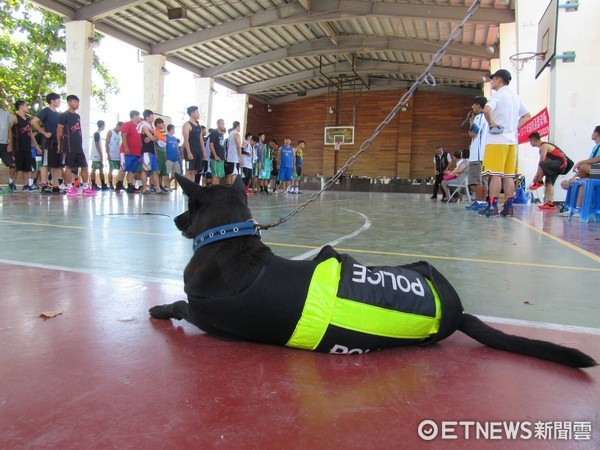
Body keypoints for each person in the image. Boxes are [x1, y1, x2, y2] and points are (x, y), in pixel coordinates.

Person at [479, 69, 530, 217]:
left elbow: (487, 110)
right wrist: (513, 128)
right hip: (511, 141)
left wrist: (492, 123)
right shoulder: (515, 97)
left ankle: (493, 206)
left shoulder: (498, 95)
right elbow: (527, 115)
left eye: (493, 79)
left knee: (495, 174)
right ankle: (508, 207)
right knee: (508, 175)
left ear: (500, 80)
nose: (492, 82)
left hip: (496, 141)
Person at [56, 95, 95, 196]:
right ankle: (69, 187)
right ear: (69, 102)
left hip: (78, 146)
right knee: (69, 167)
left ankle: (85, 186)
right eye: (74, 102)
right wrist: (59, 144)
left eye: (78, 102)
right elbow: (59, 130)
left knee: (85, 166)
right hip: (69, 146)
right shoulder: (64, 115)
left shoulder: (77, 116)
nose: (77, 104)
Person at [560, 125, 600, 214]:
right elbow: (586, 167)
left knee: (582, 167)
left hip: (598, 171)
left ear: (597, 133)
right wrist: (572, 178)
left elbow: (597, 159)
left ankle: (576, 208)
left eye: (593, 132)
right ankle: (575, 208)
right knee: (580, 181)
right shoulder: (595, 148)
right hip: (593, 172)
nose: (592, 134)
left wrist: (580, 162)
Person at [527, 132, 570, 211]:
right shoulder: (544, 146)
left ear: (533, 140)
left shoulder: (543, 146)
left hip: (560, 163)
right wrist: (537, 175)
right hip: (557, 164)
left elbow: (541, 162)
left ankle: (539, 182)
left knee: (542, 164)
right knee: (549, 183)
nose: (530, 143)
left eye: (530, 141)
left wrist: (537, 177)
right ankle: (549, 203)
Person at [31, 93, 62, 194]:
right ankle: (44, 185)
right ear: (52, 101)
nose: (59, 102)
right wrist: (44, 133)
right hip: (48, 142)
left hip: (56, 142)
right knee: (45, 163)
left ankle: (56, 186)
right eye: (58, 100)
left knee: (56, 165)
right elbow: (34, 122)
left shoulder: (57, 114)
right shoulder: (46, 111)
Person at [465, 96, 489, 210]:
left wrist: (471, 121)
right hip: (485, 155)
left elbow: (473, 133)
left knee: (477, 180)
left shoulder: (479, 117)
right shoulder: (487, 117)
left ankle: (479, 202)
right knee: (484, 180)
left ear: (479, 106)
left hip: (477, 155)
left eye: (474, 105)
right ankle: (483, 202)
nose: (472, 107)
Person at [9, 100, 37, 191]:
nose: (27, 107)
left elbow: (31, 133)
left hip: (27, 146)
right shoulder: (14, 117)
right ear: (21, 106)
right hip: (17, 146)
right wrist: (9, 143)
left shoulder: (28, 119)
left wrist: (36, 145)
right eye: (26, 106)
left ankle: (26, 185)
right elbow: (9, 129)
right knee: (16, 166)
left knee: (27, 167)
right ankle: (11, 183)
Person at [115, 110, 142, 194]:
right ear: (134, 116)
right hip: (127, 152)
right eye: (138, 115)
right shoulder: (127, 124)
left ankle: (130, 186)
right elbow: (123, 136)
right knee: (124, 168)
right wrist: (126, 147)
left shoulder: (139, 127)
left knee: (132, 170)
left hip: (136, 152)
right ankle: (118, 184)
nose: (139, 117)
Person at [137, 110, 163, 194]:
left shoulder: (151, 127)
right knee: (145, 170)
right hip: (146, 151)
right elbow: (153, 138)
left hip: (152, 151)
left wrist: (153, 138)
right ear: (147, 117)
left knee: (155, 171)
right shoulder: (144, 126)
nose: (153, 118)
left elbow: (153, 139)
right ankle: (144, 188)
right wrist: (153, 138)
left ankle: (158, 189)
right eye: (151, 116)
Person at [182, 106, 204, 183]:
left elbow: (201, 139)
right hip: (190, 151)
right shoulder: (187, 125)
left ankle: (192, 188)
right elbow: (186, 140)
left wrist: (203, 152)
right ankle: (186, 188)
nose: (198, 114)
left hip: (198, 151)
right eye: (197, 112)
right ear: (192, 113)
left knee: (194, 171)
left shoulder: (198, 125)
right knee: (188, 170)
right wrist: (188, 152)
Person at [0, 108, 16, 194]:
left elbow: (9, 130)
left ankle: (10, 183)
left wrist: (10, 144)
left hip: (4, 143)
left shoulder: (5, 114)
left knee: (12, 164)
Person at [90, 120, 108, 191]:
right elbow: (97, 144)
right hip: (96, 155)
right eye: (104, 125)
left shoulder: (98, 134)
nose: (104, 126)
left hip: (97, 155)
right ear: (102, 125)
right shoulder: (96, 133)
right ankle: (93, 184)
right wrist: (100, 154)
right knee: (94, 169)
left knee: (101, 169)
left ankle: (103, 184)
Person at [104, 121, 122, 190]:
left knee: (120, 170)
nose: (121, 130)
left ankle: (119, 183)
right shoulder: (110, 132)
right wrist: (108, 154)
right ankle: (110, 184)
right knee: (111, 170)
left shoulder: (119, 134)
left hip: (118, 155)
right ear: (118, 126)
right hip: (111, 154)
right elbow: (106, 144)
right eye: (121, 128)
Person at [153, 117, 169, 193]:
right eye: (162, 123)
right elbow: (153, 144)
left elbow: (164, 145)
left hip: (163, 153)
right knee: (156, 171)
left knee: (162, 171)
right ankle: (153, 186)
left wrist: (165, 154)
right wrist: (156, 154)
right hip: (158, 152)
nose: (163, 125)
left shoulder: (162, 134)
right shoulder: (154, 132)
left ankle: (160, 185)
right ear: (157, 124)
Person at [209, 119, 226, 185]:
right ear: (218, 124)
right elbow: (211, 144)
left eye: (224, 124)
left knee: (219, 175)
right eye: (222, 124)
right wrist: (215, 155)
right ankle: (213, 191)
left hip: (221, 158)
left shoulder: (221, 134)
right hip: (215, 158)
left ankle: (217, 190)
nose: (223, 125)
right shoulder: (214, 133)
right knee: (215, 175)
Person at [165, 124, 182, 189]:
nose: (174, 130)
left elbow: (177, 148)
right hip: (169, 158)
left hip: (175, 158)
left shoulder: (175, 138)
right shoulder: (166, 137)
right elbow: (164, 147)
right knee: (167, 173)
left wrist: (179, 155)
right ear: (171, 129)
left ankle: (167, 183)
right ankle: (168, 187)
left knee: (177, 173)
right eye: (173, 129)